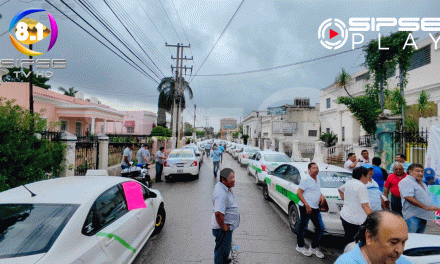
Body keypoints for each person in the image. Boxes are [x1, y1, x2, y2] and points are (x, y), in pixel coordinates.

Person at [335, 211, 412, 264]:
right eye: (393, 242)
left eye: (403, 242)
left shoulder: (402, 262)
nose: (400, 250)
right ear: (369, 237)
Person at [398, 163, 440, 233]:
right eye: (417, 171)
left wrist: (433, 207)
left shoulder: (422, 183)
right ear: (410, 172)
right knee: (411, 239)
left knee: (419, 240)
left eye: (422, 171)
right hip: (413, 217)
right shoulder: (407, 181)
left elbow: (425, 198)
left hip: (423, 216)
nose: (420, 173)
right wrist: (425, 207)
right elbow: (408, 197)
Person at [296, 163, 326, 258]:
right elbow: (299, 192)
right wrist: (306, 205)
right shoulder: (306, 179)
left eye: (317, 168)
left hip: (315, 207)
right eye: (313, 168)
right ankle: (300, 246)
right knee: (303, 227)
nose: (316, 169)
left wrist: (321, 196)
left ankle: (313, 248)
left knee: (320, 228)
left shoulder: (317, 178)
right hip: (306, 207)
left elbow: (316, 190)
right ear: (309, 169)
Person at [338, 167, 373, 245]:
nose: (369, 178)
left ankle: (346, 255)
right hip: (355, 221)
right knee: (356, 244)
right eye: (368, 175)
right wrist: (374, 219)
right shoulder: (361, 186)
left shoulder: (350, 182)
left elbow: (339, 190)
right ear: (362, 176)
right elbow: (365, 206)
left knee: (349, 241)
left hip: (345, 217)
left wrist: (347, 201)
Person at [212, 168, 240, 264]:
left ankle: (224, 259)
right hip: (222, 228)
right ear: (223, 180)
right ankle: (220, 261)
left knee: (225, 246)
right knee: (220, 249)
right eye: (231, 178)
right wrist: (223, 227)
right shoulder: (221, 193)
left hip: (226, 226)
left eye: (234, 177)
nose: (234, 180)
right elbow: (218, 213)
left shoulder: (225, 187)